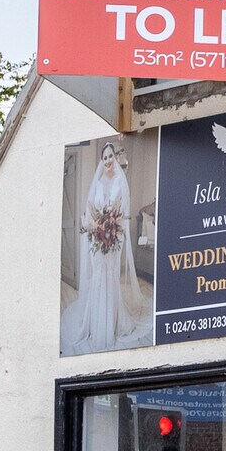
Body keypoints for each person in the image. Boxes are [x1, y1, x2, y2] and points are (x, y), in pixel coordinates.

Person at [60, 141, 151, 352]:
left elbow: (123, 213)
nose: (108, 160)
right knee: (98, 277)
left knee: (110, 278)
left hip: (114, 236)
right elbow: (91, 209)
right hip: (97, 236)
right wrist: (95, 228)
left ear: (115, 158)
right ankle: (95, 321)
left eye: (111, 156)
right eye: (105, 157)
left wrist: (111, 228)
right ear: (101, 160)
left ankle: (111, 323)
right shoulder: (98, 182)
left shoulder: (121, 181)